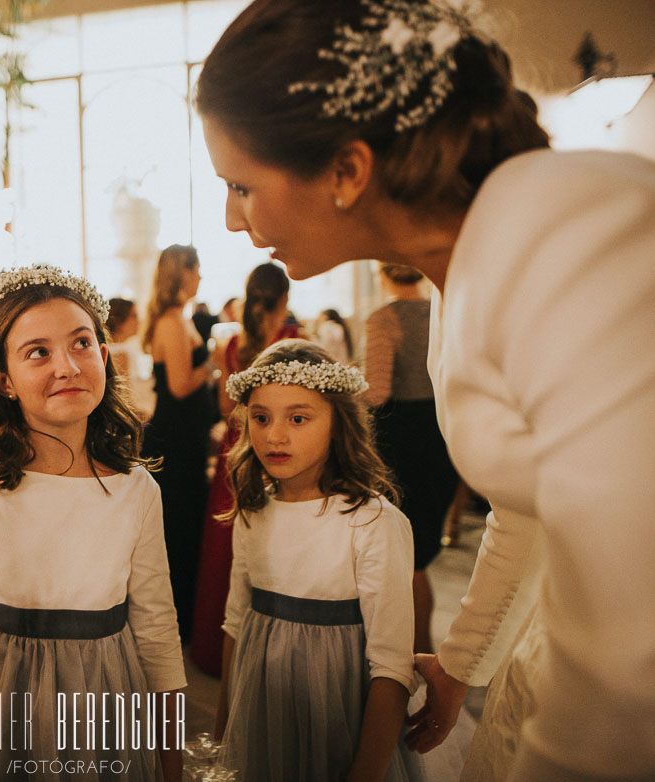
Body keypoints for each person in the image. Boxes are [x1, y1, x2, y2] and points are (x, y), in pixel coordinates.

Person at [196, 1, 655, 778]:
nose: (233, 220)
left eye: (241, 185)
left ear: (346, 170)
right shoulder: (458, 274)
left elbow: (634, 644)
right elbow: (526, 505)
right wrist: (463, 655)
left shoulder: (570, 228)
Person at [0, 266, 186, 782]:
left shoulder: (135, 490)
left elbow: (156, 631)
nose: (67, 366)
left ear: (104, 358)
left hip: (104, 695)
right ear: (3, 380)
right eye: (37, 352)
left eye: (82, 343)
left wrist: (169, 762)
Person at [215, 339, 416, 781]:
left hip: (340, 724)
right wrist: (224, 734)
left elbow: (391, 667)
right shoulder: (254, 512)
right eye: (261, 418)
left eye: (299, 418)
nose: (275, 435)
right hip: (263, 717)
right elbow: (235, 626)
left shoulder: (372, 523)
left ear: (337, 423)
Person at [190, 261, 300, 675]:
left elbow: (222, 406)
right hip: (279, 451)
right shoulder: (294, 339)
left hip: (237, 449)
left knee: (226, 548)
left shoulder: (233, 344)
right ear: (284, 298)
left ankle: (216, 649)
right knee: (275, 545)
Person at [364, 263, 458, 654]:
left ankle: (417, 659)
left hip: (403, 444)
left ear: (381, 272)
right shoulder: (445, 309)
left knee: (409, 561)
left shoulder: (385, 318)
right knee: (417, 557)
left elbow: (377, 393)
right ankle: (420, 653)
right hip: (440, 436)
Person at [142, 244, 217, 641]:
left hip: (187, 435)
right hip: (175, 438)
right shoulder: (171, 322)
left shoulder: (180, 318)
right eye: (196, 269)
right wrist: (211, 366)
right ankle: (176, 622)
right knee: (179, 528)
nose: (201, 276)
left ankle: (187, 614)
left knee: (188, 525)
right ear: (180, 273)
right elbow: (179, 384)